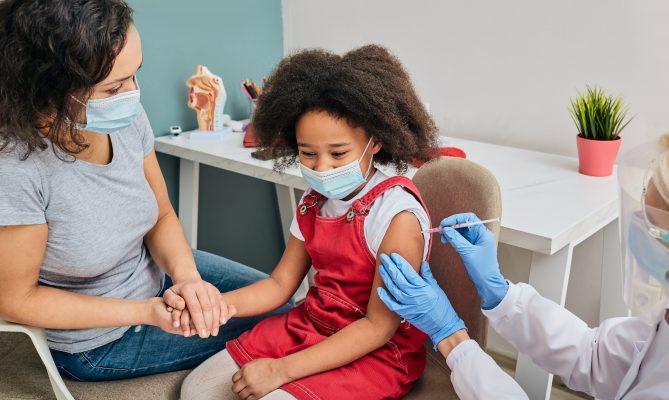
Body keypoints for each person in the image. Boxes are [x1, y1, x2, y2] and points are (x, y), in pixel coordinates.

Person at [0, 0, 286, 382]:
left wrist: (187, 278)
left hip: (153, 275)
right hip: (99, 338)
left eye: (135, 75)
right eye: (114, 86)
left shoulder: (124, 116)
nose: (133, 96)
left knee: (280, 299)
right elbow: (17, 301)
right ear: (48, 90)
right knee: (283, 324)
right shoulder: (16, 169)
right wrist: (148, 312)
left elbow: (162, 214)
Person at [179, 45, 440, 400]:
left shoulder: (398, 216)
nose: (321, 169)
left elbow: (378, 327)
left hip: (375, 350)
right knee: (197, 391)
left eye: (338, 154)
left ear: (375, 140)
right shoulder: (313, 201)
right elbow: (278, 285)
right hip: (312, 324)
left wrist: (279, 370)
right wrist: (212, 308)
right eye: (308, 153)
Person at [378, 125, 669, 399]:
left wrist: (451, 336)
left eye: (658, 225)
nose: (643, 230)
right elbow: (592, 356)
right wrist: (500, 293)